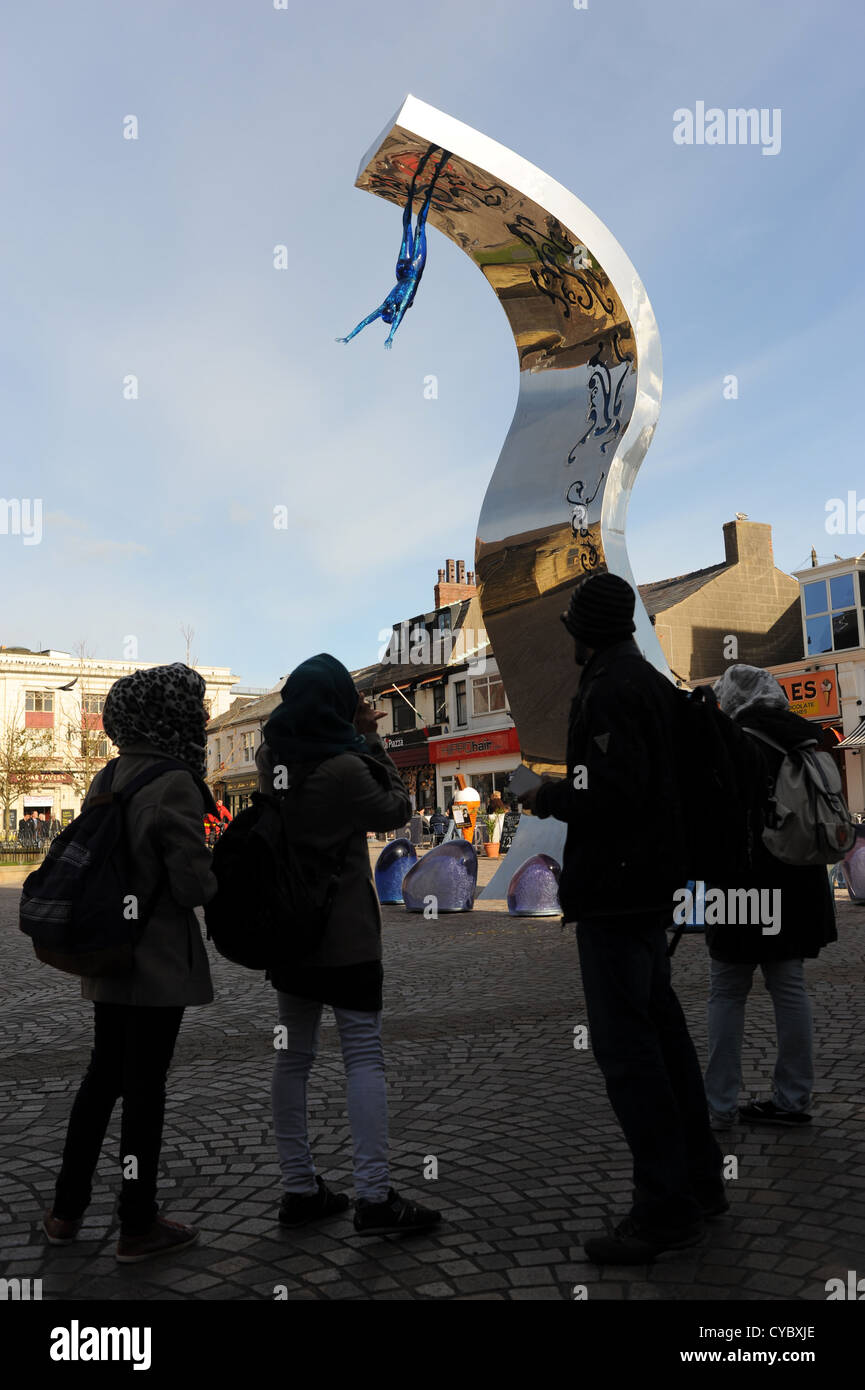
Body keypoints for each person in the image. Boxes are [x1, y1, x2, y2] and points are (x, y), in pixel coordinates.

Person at [521, 572, 725, 1264]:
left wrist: (546, 794)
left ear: (586, 631)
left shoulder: (611, 687)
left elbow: (614, 790)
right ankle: (700, 1183)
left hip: (617, 890)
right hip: (648, 886)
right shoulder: (648, 682)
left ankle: (665, 1208)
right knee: (661, 1039)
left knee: (628, 1050)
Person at [256, 653, 441, 1236]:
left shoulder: (269, 761)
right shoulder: (343, 767)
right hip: (345, 934)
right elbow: (398, 806)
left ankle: (298, 1187)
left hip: (290, 933)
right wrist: (370, 739)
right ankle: (374, 1196)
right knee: (362, 1054)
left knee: (293, 1059)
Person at [42, 663, 218, 1263]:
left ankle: (65, 1212)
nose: (201, 716)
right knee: (144, 1090)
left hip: (107, 950)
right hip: (155, 959)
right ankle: (137, 1224)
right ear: (168, 715)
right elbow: (192, 884)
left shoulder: (108, 776)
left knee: (101, 1081)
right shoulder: (176, 782)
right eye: (194, 706)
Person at [705, 665, 837, 1128]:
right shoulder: (806, 736)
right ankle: (793, 1098)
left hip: (743, 884)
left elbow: (715, 817)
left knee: (727, 991)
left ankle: (719, 1106)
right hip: (800, 880)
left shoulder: (734, 741)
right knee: (789, 988)